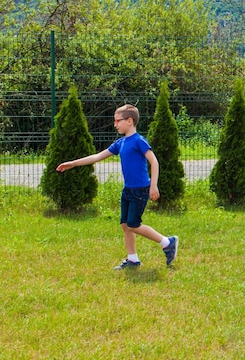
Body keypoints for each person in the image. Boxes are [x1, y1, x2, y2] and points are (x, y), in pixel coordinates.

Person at [56, 104, 179, 269]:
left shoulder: (139, 141)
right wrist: (73, 163)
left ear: (129, 121)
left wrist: (153, 185)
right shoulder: (121, 143)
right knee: (125, 224)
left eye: (117, 121)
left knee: (134, 224)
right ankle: (133, 259)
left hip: (140, 190)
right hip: (128, 190)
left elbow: (154, 161)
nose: (115, 124)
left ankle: (167, 242)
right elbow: (97, 156)